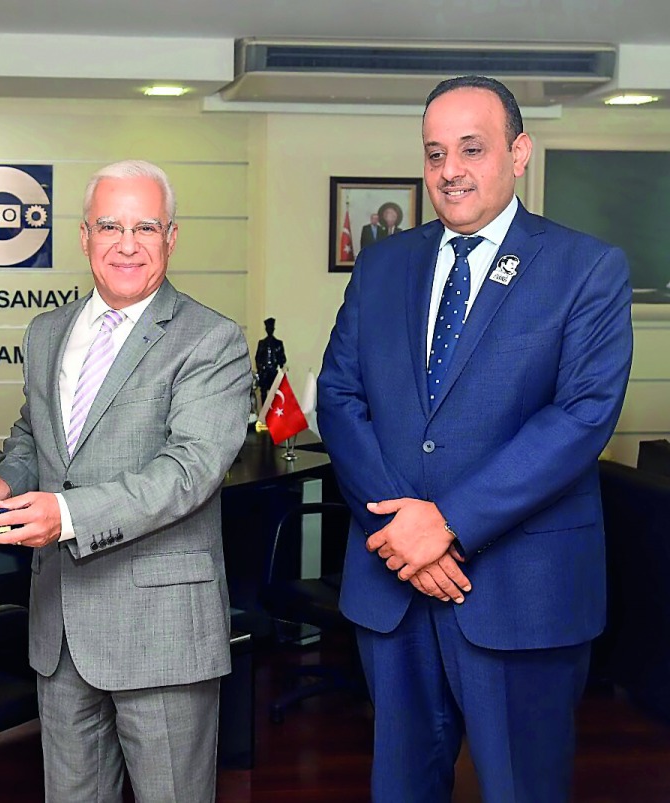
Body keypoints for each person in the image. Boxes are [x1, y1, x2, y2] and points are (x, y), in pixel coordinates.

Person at [317, 75, 632, 802]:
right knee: (400, 785)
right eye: (434, 154)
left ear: (519, 152)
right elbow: (340, 396)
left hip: (522, 591)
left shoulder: (586, 268)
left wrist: (448, 524)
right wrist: (404, 529)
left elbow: (580, 417)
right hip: (393, 583)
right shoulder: (383, 263)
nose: (449, 170)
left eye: (471, 148)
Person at [0, 160, 250, 802]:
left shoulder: (211, 340)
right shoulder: (47, 333)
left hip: (159, 629)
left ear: (171, 238)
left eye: (145, 227)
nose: (126, 244)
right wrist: (5, 479)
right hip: (60, 627)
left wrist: (66, 515)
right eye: (110, 226)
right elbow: (32, 435)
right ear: (83, 237)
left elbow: (189, 471)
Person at [255, 316, 288, 404]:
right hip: (264, 372)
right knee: (263, 393)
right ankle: (264, 412)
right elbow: (257, 357)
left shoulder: (278, 343)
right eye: (268, 328)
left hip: (273, 372)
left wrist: (281, 369)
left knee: (275, 392)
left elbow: (283, 358)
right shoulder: (261, 343)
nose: (269, 329)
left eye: (271, 328)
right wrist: (260, 369)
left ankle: (273, 412)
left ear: (273, 329)